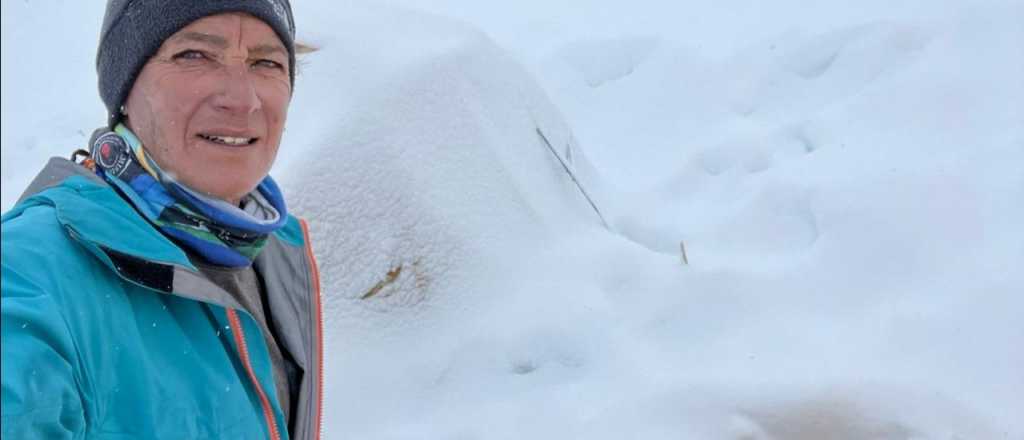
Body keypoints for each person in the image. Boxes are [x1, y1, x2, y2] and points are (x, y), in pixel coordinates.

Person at [1, 1, 323, 439]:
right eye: (194, 55)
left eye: (266, 62)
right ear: (125, 89)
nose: (242, 100)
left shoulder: (271, 256)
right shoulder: (28, 273)